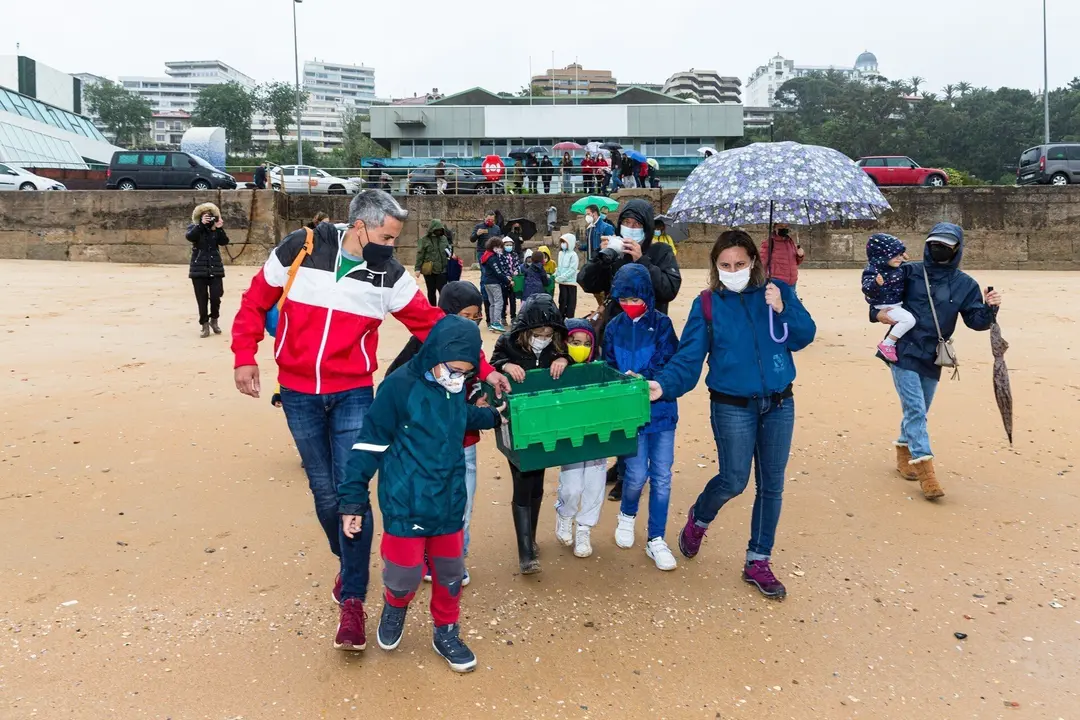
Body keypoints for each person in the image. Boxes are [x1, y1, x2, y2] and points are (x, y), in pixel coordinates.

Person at [231, 190, 511, 606]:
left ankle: (354, 595)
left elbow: (431, 325)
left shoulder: (391, 274)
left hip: (354, 391)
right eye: (386, 237)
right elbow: (256, 300)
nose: (391, 247)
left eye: (395, 239)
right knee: (325, 496)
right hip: (298, 390)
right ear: (359, 226)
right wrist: (244, 355)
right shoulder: (301, 246)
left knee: (352, 491)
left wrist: (485, 369)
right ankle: (350, 561)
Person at [648, 230, 816, 599]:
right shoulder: (707, 304)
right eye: (725, 265)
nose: (733, 270)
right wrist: (663, 385)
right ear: (715, 266)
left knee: (771, 485)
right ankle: (700, 517)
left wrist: (783, 307)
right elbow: (689, 358)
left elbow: (804, 336)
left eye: (740, 264)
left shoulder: (777, 292)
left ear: (754, 261)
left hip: (779, 403)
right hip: (731, 405)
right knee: (734, 480)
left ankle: (758, 560)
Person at [336, 315, 503, 671]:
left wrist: (491, 418)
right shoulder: (397, 388)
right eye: (452, 370)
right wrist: (352, 498)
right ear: (433, 354)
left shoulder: (454, 388)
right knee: (404, 574)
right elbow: (368, 444)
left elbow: (459, 417)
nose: (457, 378)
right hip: (405, 502)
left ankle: (446, 631)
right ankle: (395, 607)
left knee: (450, 574)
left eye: (465, 372)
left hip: (448, 500)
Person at [872, 223, 1001, 500]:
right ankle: (926, 472)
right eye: (934, 244)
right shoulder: (910, 271)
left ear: (957, 249)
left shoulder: (965, 284)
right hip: (902, 350)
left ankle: (903, 453)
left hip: (934, 354)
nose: (938, 249)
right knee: (916, 409)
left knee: (920, 409)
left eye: (945, 245)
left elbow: (976, 321)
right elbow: (881, 299)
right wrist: (877, 314)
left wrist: (991, 307)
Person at [385, 282, 486, 586]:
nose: (471, 323)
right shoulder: (420, 347)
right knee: (427, 503)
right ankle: (425, 558)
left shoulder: (472, 348)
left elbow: (477, 381)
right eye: (465, 316)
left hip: (464, 442)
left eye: (476, 317)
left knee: (462, 505)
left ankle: (455, 559)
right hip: (424, 450)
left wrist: (480, 396)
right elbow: (394, 388)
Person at [605, 264, 680, 571]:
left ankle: (656, 539)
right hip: (629, 414)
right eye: (623, 299)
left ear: (647, 295)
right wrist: (620, 380)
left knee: (662, 476)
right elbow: (606, 363)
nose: (629, 304)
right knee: (635, 475)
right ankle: (627, 513)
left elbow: (669, 361)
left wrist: (642, 377)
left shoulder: (662, 324)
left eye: (635, 298)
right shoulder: (613, 327)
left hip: (661, 410)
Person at [491, 294, 570, 573]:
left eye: (549, 334)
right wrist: (504, 365)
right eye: (538, 334)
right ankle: (526, 552)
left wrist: (564, 358)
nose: (544, 338)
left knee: (536, 482)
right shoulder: (507, 343)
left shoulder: (558, 346)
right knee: (523, 479)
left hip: (545, 425)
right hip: (516, 426)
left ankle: (530, 539)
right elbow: (490, 366)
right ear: (526, 331)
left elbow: (580, 356)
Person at [578, 198, 682, 316]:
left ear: (647, 227)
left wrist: (642, 260)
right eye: (626, 222)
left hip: (650, 324)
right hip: (616, 324)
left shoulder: (661, 251)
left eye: (637, 223)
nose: (631, 227)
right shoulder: (615, 252)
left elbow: (669, 291)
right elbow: (586, 283)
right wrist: (601, 258)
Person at [554, 318, 605, 557]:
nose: (580, 347)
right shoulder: (558, 366)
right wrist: (562, 359)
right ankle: (565, 514)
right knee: (572, 486)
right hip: (572, 437)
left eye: (586, 343)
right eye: (575, 342)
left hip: (597, 436)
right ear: (566, 343)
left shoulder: (599, 367)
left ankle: (584, 528)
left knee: (595, 485)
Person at [861, 234, 915, 364]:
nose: (899, 258)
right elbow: (867, 289)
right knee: (908, 320)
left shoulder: (897, 267)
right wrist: (875, 284)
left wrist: (902, 257)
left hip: (896, 303)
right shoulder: (874, 270)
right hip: (886, 306)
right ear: (881, 256)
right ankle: (888, 343)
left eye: (900, 254)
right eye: (894, 255)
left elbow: (906, 268)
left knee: (907, 319)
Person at [186, 202, 230, 338]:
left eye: (211, 216)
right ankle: (204, 324)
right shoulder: (195, 228)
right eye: (205, 216)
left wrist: (219, 228)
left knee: (216, 296)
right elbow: (190, 237)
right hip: (198, 270)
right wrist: (201, 225)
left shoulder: (215, 230)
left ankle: (214, 319)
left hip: (215, 269)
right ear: (200, 217)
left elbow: (224, 241)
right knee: (202, 298)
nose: (208, 218)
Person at [416, 219, 452, 305]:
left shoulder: (444, 239)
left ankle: (443, 309)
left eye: (440, 230)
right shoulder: (424, 240)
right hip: (429, 270)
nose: (439, 232)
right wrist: (417, 268)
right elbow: (420, 254)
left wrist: (451, 255)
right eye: (437, 230)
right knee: (431, 291)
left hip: (442, 270)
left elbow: (448, 250)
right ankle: (433, 309)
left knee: (443, 291)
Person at [759, 225, 804, 290]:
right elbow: (762, 263)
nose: (784, 228)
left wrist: (800, 256)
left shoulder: (790, 242)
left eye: (786, 226)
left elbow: (796, 262)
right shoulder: (769, 243)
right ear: (775, 228)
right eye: (781, 226)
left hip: (792, 282)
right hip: (777, 283)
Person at [481, 237, 510, 332]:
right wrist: (508, 281)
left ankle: (492, 323)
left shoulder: (486, 255)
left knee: (492, 303)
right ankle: (496, 323)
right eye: (500, 247)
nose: (501, 249)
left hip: (487, 282)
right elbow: (498, 272)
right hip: (493, 283)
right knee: (499, 302)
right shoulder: (492, 258)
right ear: (494, 247)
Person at [554, 232, 580, 319]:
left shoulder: (573, 255)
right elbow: (559, 267)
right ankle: (561, 319)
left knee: (570, 303)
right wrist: (555, 275)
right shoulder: (561, 254)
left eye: (564, 242)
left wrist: (561, 278)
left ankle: (570, 319)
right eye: (561, 242)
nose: (562, 244)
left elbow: (572, 270)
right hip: (562, 283)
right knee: (562, 301)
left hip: (570, 283)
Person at [500, 237, 521, 322]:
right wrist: (506, 276)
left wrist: (516, 272)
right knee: (504, 300)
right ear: (503, 245)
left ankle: (513, 317)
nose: (509, 246)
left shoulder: (515, 254)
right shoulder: (501, 255)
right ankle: (503, 317)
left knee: (513, 300)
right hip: (504, 280)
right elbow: (501, 266)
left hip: (514, 280)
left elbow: (517, 264)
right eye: (507, 245)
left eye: (510, 245)